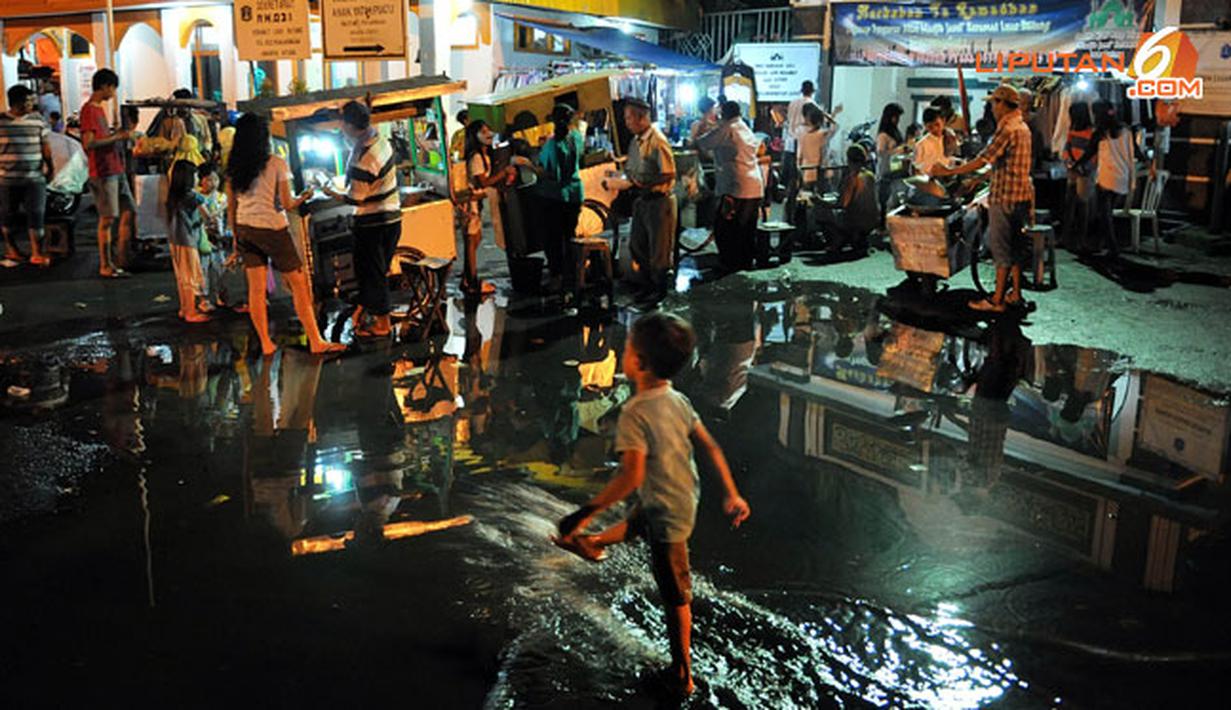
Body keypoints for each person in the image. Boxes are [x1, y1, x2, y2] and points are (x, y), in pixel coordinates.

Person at [552, 312, 751, 698]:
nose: (622, 355)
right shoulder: (677, 399)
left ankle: (682, 674)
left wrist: (584, 511)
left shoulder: (635, 413)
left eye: (626, 350)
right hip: (680, 493)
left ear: (639, 363)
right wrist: (731, 492)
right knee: (638, 520)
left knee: (675, 592)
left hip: (669, 510)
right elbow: (709, 445)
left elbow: (630, 477)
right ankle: (595, 543)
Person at [225, 113, 344, 356]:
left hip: (245, 228)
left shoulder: (234, 168)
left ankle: (266, 344)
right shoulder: (276, 163)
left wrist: (236, 240)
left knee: (256, 291)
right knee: (299, 284)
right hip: (272, 229)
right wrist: (305, 196)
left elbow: (231, 208)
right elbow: (287, 204)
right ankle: (315, 340)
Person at [931, 84, 1034, 312]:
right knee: (1015, 248)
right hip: (1021, 196)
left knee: (1001, 249)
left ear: (1003, 104)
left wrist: (948, 172)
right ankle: (1014, 293)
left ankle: (996, 301)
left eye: (994, 103)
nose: (992, 108)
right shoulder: (1023, 127)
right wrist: (978, 180)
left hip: (1005, 197)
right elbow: (1003, 163)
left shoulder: (1006, 128)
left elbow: (983, 159)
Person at [322, 101, 402, 338]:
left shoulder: (365, 159)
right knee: (376, 271)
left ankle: (382, 324)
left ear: (348, 125)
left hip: (373, 222)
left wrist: (332, 193)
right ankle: (363, 316)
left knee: (372, 273)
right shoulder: (379, 140)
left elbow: (356, 198)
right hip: (392, 217)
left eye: (342, 123)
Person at [516, 103, 583, 289]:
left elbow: (548, 173)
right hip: (574, 195)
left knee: (553, 239)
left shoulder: (553, 145)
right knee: (569, 237)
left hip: (553, 196)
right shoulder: (576, 137)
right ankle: (571, 276)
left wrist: (527, 163)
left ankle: (556, 277)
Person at [694, 101, 764, 273]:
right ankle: (745, 261)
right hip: (753, 183)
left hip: (736, 185)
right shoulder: (743, 127)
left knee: (725, 227)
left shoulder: (727, 128)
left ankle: (730, 262)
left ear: (724, 114)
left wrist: (703, 128)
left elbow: (702, 143)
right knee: (747, 227)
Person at [620, 98, 676, 307]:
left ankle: (658, 293)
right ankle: (647, 286)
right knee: (638, 245)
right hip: (642, 200)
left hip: (659, 201)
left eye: (629, 118)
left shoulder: (657, 141)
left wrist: (641, 182)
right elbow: (631, 168)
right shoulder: (636, 141)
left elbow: (669, 173)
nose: (626, 122)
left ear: (642, 118)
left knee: (659, 251)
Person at [81, 68, 136, 278]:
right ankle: (106, 264)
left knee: (128, 210)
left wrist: (114, 136)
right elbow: (89, 143)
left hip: (115, 168)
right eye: (112, 89)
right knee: (107, 218)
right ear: (105, 86)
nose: (113, 94)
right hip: (103, 172)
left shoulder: (99, 110)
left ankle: (120, 257)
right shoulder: (90, 110)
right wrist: (117, 137)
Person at [1073, 101, 1147, 258]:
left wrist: (1076, 165)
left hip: (1107, 177)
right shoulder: (1126, 130)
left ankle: (1112, 248)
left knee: (1105, 214)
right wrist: (1148, 163)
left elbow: (1089, 153)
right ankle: (1100, 245)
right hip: (1122, 176)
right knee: (1106, 212)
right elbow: (1136, 151)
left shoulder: (1101, 132)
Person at [462, 119, 518, 296]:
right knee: (471, 242)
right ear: (474, 136)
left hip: (475, 203)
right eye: (483, 131)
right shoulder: (476, 157)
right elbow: (483, 182)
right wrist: (504, 172)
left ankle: (467, 279)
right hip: (470, 204)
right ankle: (472, 283)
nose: (488, 134)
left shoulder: (484, 154)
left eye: (488, 129)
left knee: (475, 240)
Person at [0, 84, 53, 267]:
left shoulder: (38, 120)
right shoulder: (2, 122)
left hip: (34, 177)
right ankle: (12, 249)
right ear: (17, 103)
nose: (32, 104)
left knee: (36, 214)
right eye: (29, 101)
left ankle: (37, 252)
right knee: (8, 215)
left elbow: (45, 145)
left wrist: (50, 167)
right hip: (7, 178)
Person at [164, 161, 210, 323]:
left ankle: (184, 308)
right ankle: (191, 312)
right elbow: (207, 215)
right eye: (196, 175)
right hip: (188, 240)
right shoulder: (192, 196)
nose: (198, 178)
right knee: (190, 276)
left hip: (174, 240)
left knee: (182, 276)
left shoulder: (172, 196)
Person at [819, 145, 880, 255]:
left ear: (848, 160)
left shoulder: (852, 178)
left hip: (856, 220)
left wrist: (819, 202)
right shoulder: (870, 175)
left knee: (823, 213)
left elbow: (842, 204)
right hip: (873, 219)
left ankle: (837, 242)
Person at [196, 162, 235, 310]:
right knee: (203, 270)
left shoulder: (222, 197)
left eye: (215, 179)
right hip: (203, 240)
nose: (213, 183)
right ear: (201, 180)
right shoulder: (197, 197)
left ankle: (221, 295)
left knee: (220, 269)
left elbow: (227, 217)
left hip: (219, 239)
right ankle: (203, 299)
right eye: (209, 179)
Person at [1060, 103, 1095, 252]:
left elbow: (1094, 154)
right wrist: (1070, 162)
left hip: (1083, 172)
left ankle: (1079, 239)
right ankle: (1067, 237)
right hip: (1075, 170)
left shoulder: (1091, 132)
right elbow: (1066, 147)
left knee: (1081, 205)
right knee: (1070, 204)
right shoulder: (1073, 130)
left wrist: (1080, 166)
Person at [782, 81, 819, 195]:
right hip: (803, 143)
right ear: (812, 91)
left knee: (789, 175)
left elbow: (788, 121)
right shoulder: (812, 105)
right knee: (801, 175)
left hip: (790, 142)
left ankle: (788, 197)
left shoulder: (793, 103)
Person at [874, 102, 906, 212]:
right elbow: (881, 153)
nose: (897, 120)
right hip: (886, 172)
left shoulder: (895, 132)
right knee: (886, 202)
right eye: (896, 117)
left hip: (896, 169)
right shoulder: (883, 135)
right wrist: (897, 150)